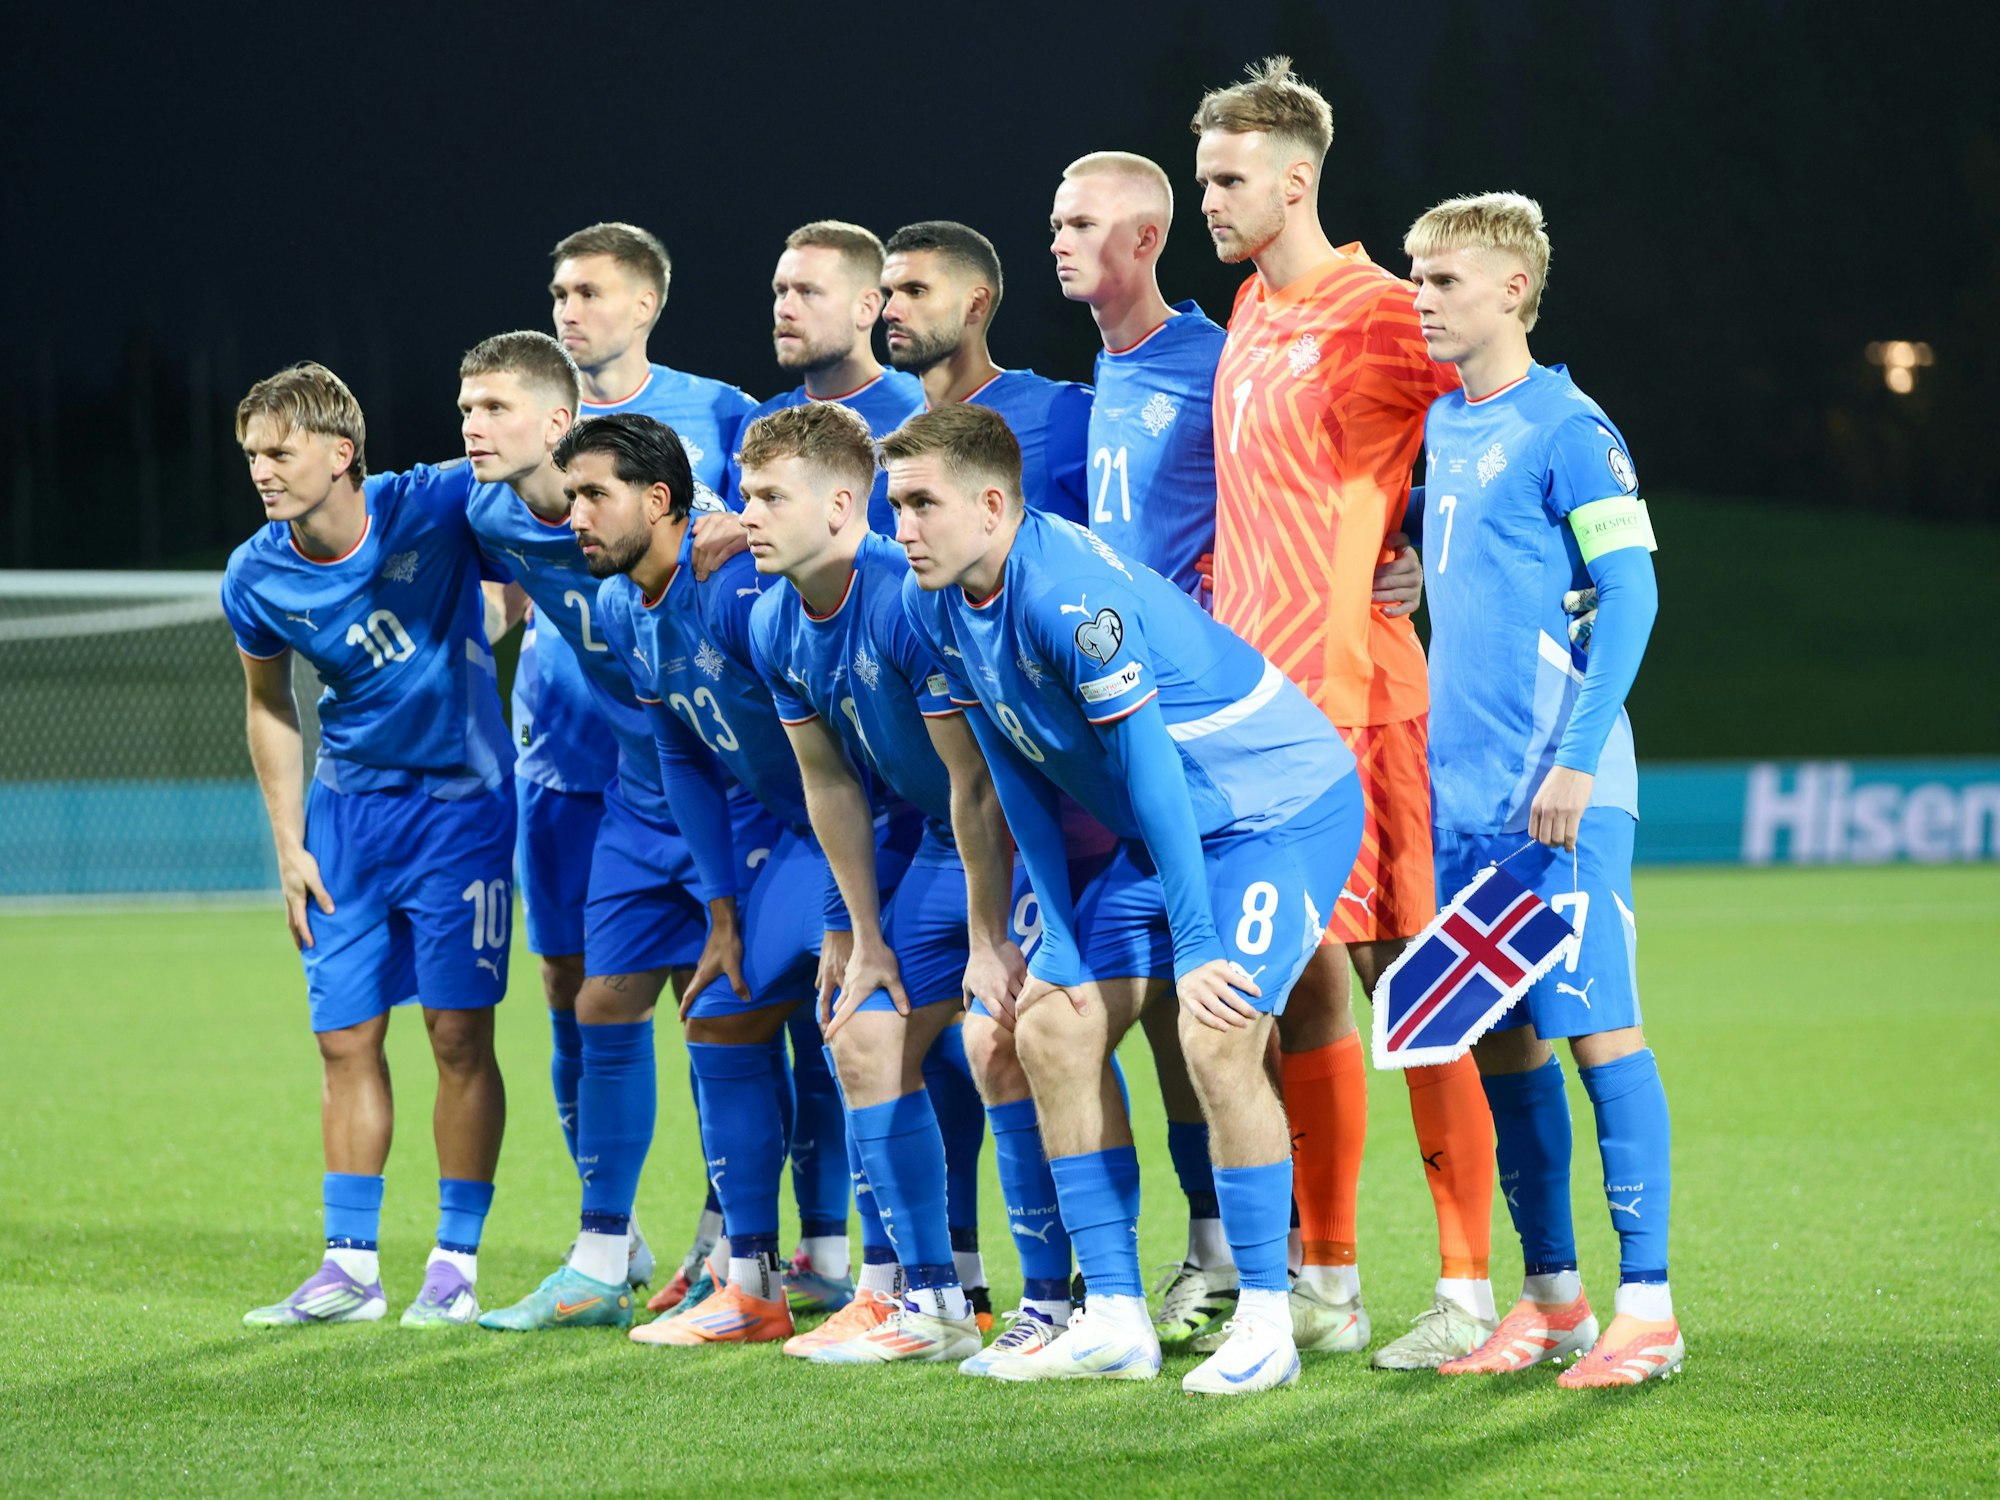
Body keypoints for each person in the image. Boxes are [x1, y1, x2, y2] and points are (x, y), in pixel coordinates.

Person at [893, 403, 1364, 1396]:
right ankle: (1112, 1317)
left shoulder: (1064, 592)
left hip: (1272, 811)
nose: (903, 526)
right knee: (1051, 1029)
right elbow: (1016, 773)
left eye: (921, 503)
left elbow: (1149, 766)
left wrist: (1195, 944)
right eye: (895, 504)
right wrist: (1056, 934)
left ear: (990, 504)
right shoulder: (935, 600)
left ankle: (1268, 1322)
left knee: (1215, 1029)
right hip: (1169, 833)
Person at [1193, 55, 1500, 1367]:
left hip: (1361, 704)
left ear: (1296, 179)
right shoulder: (1253, 307)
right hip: (1255, 720)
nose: (1208, 199)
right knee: (1302, 981)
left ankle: (1474, 1288)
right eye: (1204, 175)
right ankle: (1326, 1279)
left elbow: (1503, 417)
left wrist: (1441, 554)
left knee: (1416, 983)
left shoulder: (1384, 309)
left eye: (1226, 178)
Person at [1403, 192, 1679, 1386]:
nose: (1421, 296)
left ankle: (1649, 1310)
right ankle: (1554, 1300)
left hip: (1557, 787)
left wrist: (1574, 755)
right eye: (1415, 276)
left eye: (1444, 278)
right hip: (1462, 798)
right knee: (1499, 1043)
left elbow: (1631, 595)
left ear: (1513, 289)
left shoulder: (1569, 424)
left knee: (1595, 1032)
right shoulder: (1446, 427)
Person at [224, 363, 514, 1329]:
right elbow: (269, 709)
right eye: (253, 454)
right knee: (343, 1038)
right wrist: (287, 843)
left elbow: (530, 521)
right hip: (346, 821)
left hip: (461, 811)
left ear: (341, 452)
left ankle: (455, 1265)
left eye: (281, 450)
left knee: (458, 1034)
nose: (263, 470)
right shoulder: (255, 573)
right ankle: (349, 1270)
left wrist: (501, 606)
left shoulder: (432, 503)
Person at [739, 400, 1028, 1365]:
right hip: (923, 835)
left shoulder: (905, 596)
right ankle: (932, 1302)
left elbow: (975, 780)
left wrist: (990, 938)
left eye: (772, 495)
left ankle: (1074, 1297)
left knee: (1013, 1040)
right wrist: (856, 931)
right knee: (859, 1035)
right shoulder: (773, 621)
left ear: (840, 507)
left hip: (1008, 834)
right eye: (745, 494)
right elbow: (830, 786)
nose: (749, 515)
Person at [458, 331, 731, 1328]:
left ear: (558, 422)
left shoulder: (702, 542)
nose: (473, 428)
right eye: (466, 410)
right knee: (600, 1005)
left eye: (493, 409)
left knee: (748, 1015)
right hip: (631, 788)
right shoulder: (480, 505)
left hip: (737, 789)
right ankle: (604, 1256)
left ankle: (762, 1251)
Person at [583, 412, 855, 1349]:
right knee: (724, 1009)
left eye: (592, 495)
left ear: (659, 500)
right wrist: (724, 915)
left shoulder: (738, 583)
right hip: (789, 836)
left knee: (893, 1034)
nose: (573, 515)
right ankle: (752, 1285)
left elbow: (839, 726)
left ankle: (930, 1284)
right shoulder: (622, 607)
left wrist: (853, 893)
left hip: (871, 823)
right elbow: (682, 757)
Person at [881, 221, 1092, 524]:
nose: (890, 311)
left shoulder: (1064, 414)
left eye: (915, 291)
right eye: (888, 293)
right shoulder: (902, 436)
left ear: (976, 304)